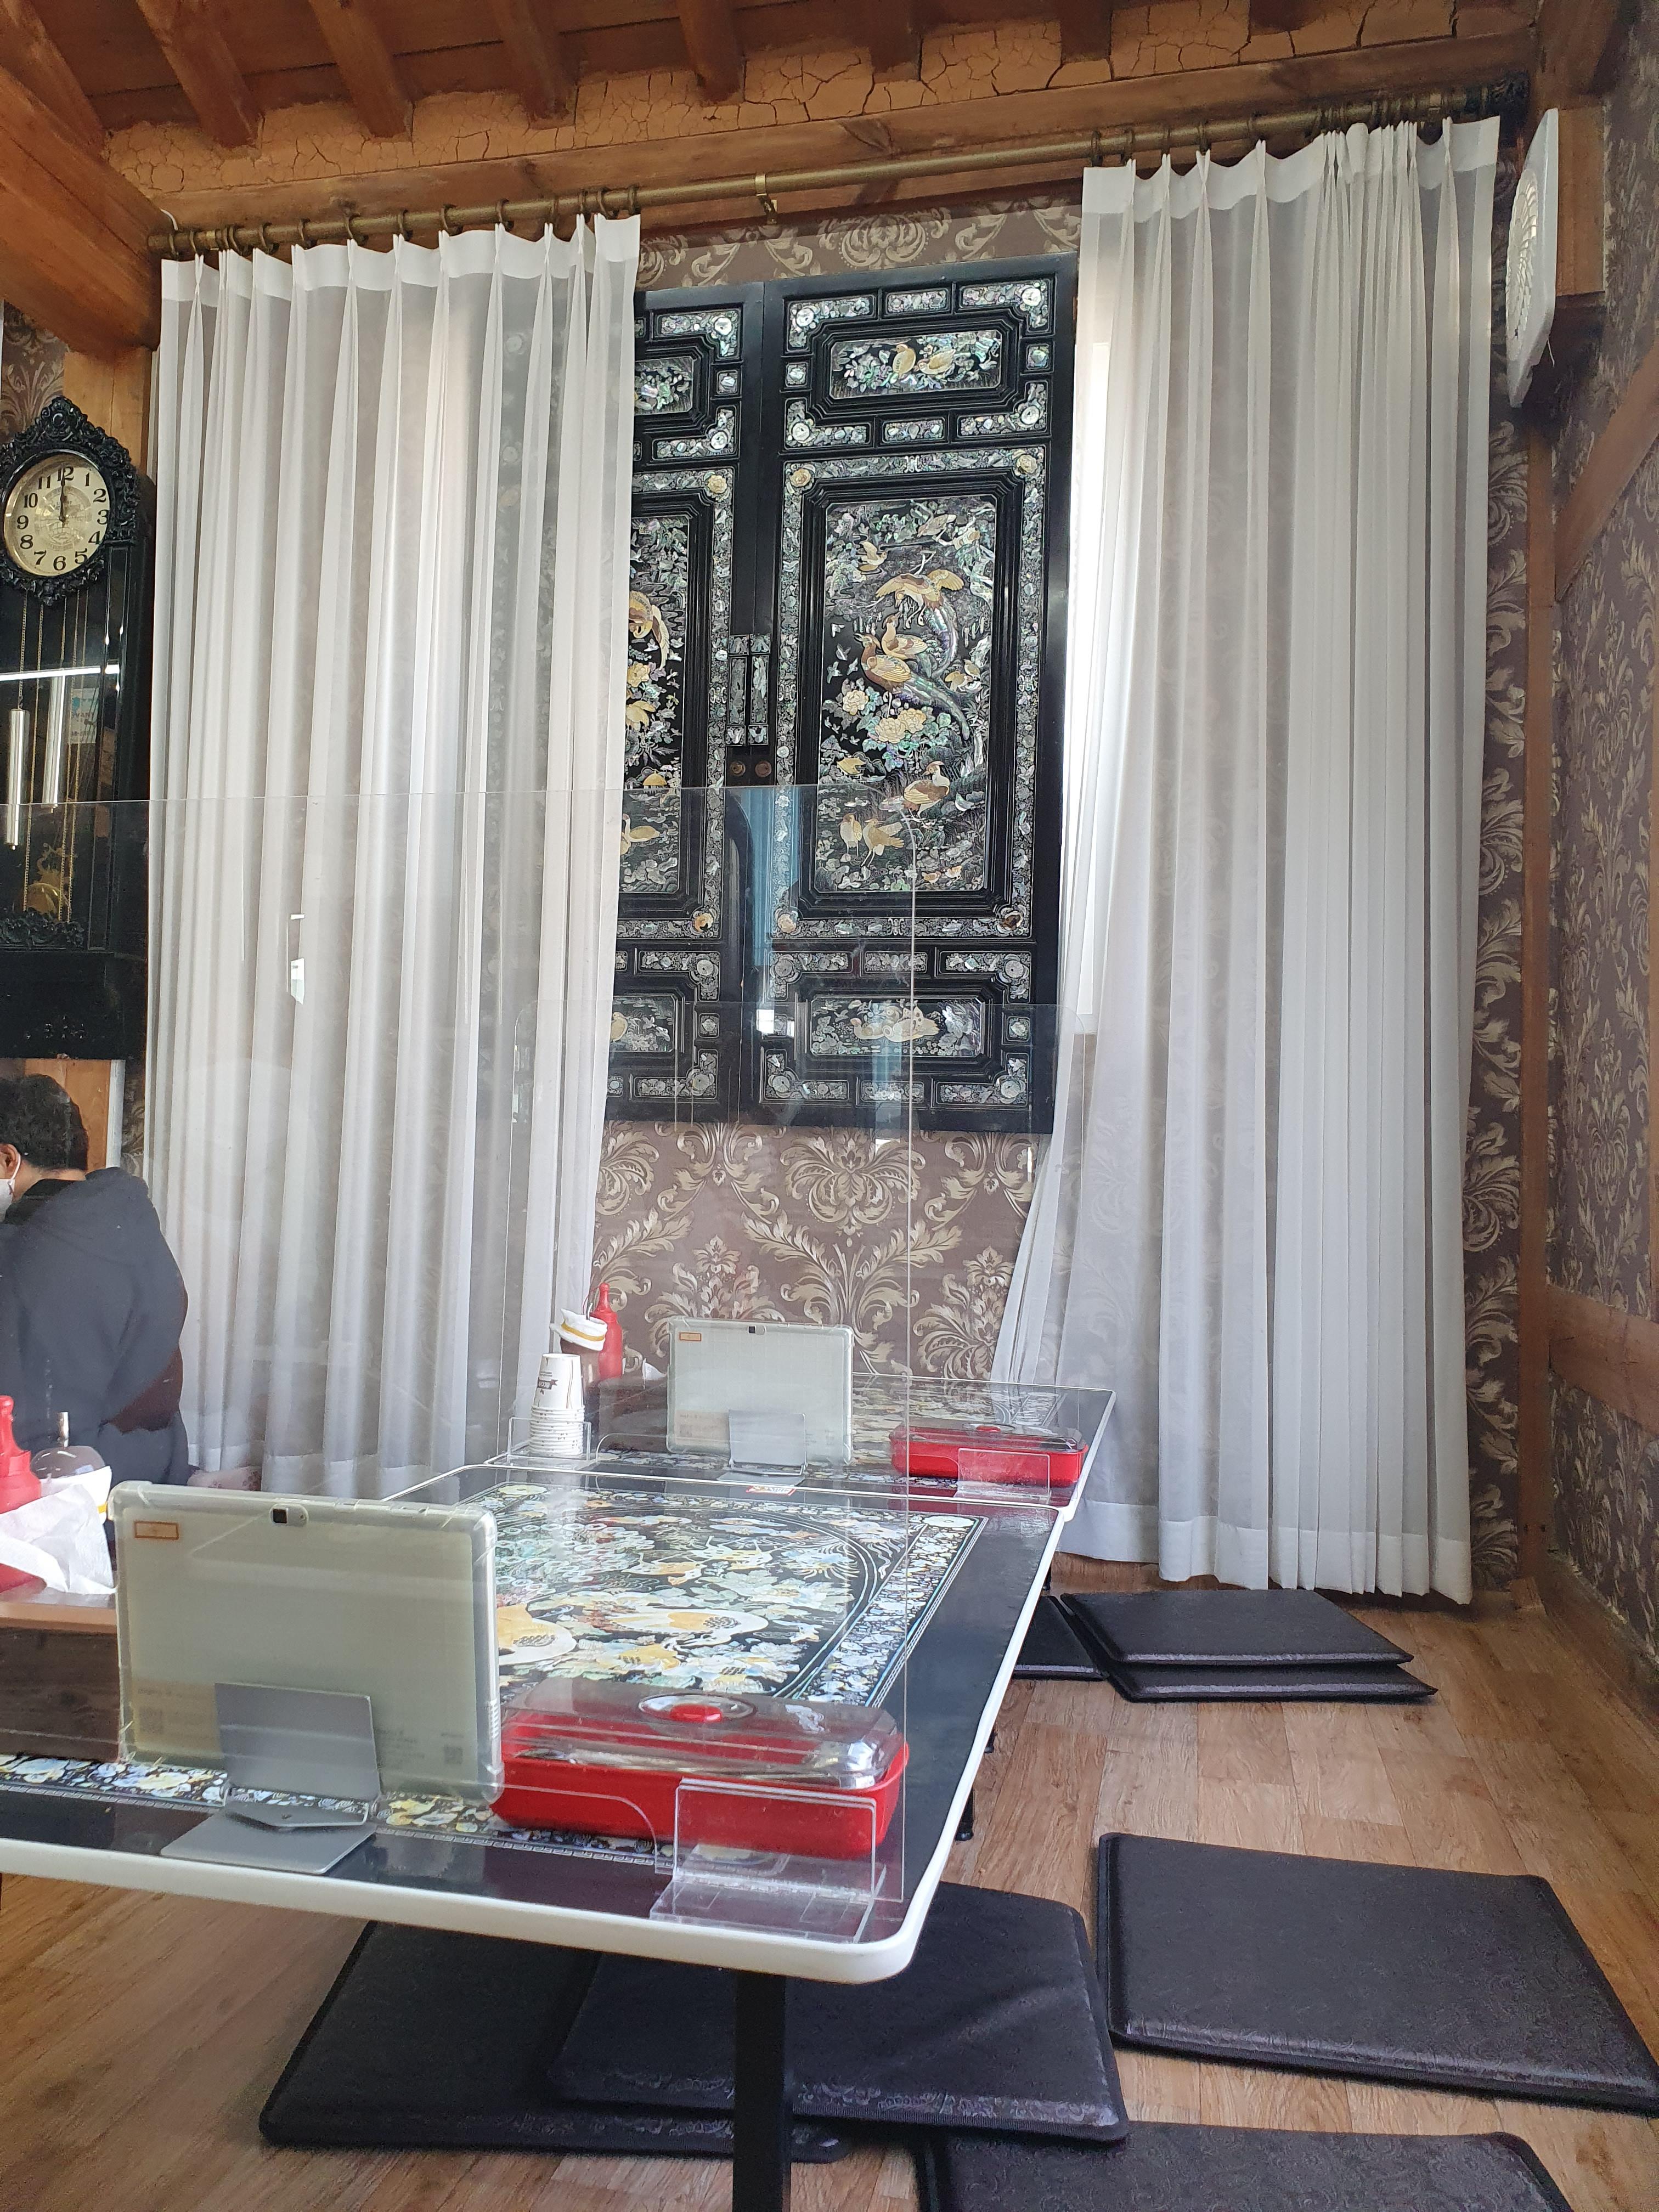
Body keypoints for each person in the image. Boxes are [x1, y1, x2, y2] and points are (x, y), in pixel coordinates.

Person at [0, 1074, 190, 1484]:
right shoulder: (127, 1216)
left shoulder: (30, 1249)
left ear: (8, 1160)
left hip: (72, 1485)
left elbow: (29, 1419)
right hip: (156, 1462)